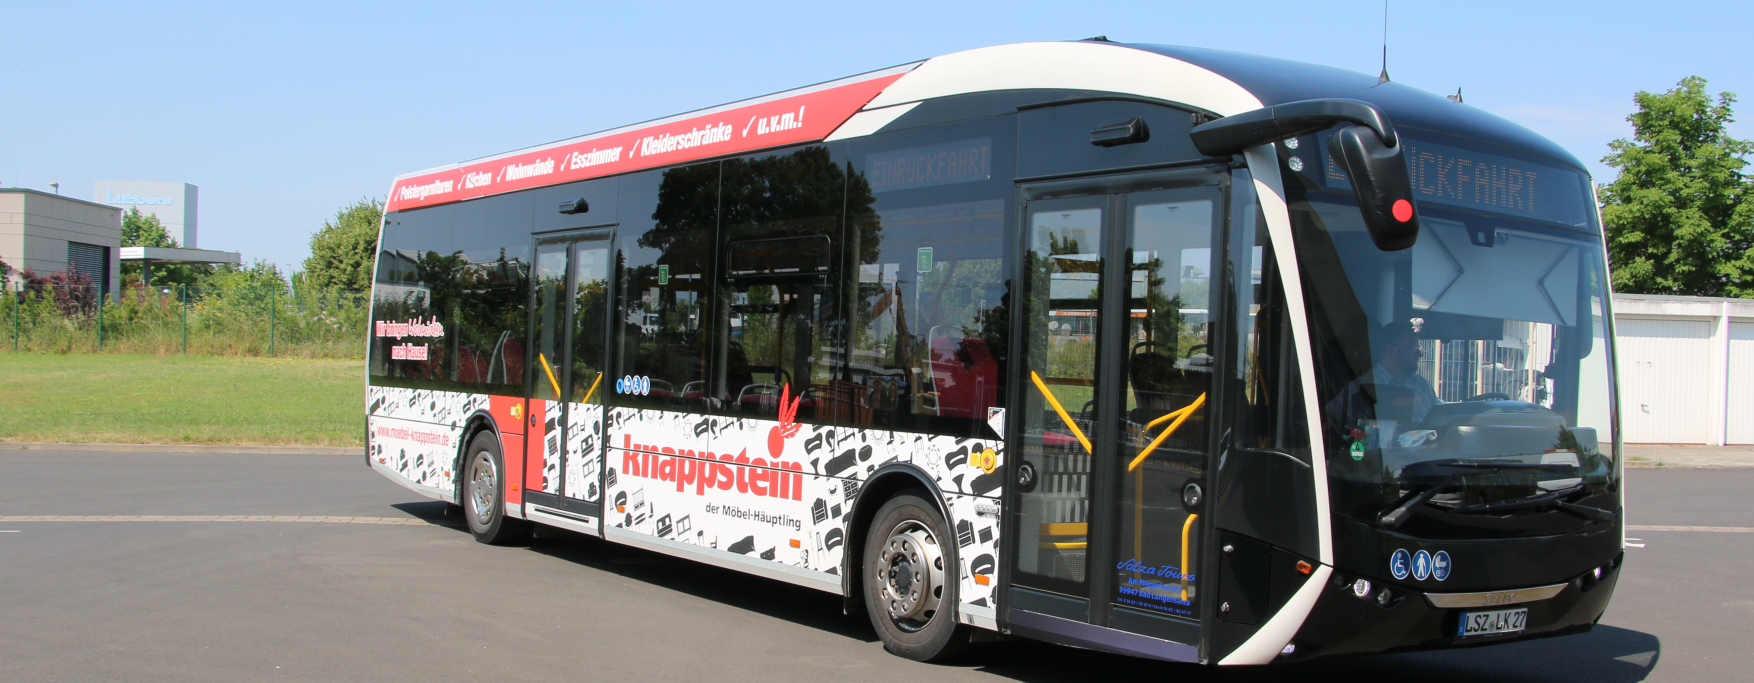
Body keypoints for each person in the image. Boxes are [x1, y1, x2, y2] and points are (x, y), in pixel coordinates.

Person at [1328, 322, 1439, 427]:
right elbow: (1332, 421)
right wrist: (1361, 438)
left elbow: (1441, 414)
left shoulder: (1422, 385)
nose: (1419, 354)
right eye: (1411, 348)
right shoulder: (1364, 386)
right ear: (1391, 350)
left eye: (1418, 349)